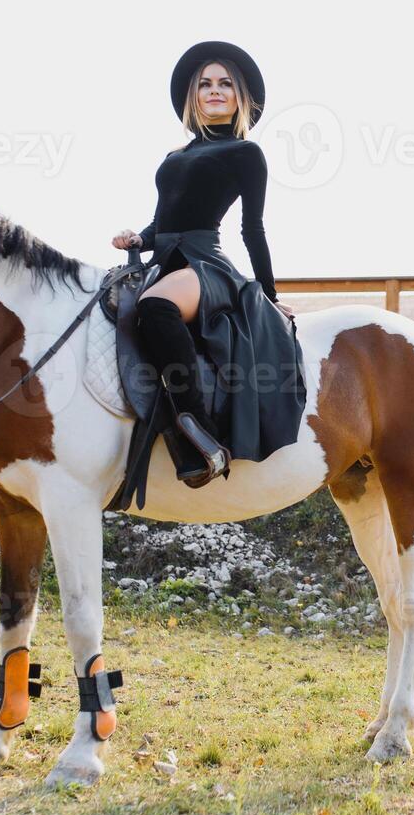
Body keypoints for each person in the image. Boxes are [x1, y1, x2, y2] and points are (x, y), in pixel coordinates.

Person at [112, 40, 304, 489]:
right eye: (205, 84)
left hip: (206, 265)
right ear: (193, 97)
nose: (213, 90)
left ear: (238, 96)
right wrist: (139, 237)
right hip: (166, 258)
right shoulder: (173, 158)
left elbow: (252, 229)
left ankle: (199, 433)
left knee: (155, 307)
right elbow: (163, 222)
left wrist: (271, 296)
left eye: (224, 84)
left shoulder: (245, 153)